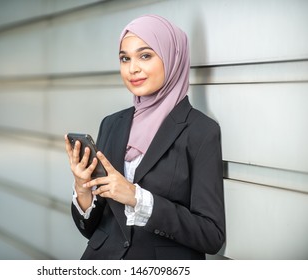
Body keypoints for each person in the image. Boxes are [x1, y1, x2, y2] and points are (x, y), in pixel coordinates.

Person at [64, 14, 225, 260]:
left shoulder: (201, 131)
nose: (132, 68)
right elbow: (92, 230)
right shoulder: (112, 124)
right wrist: (82, 189)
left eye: (145, 55)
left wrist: (138, 199)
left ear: (173, 57)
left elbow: (211, 236)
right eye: (125, 58)